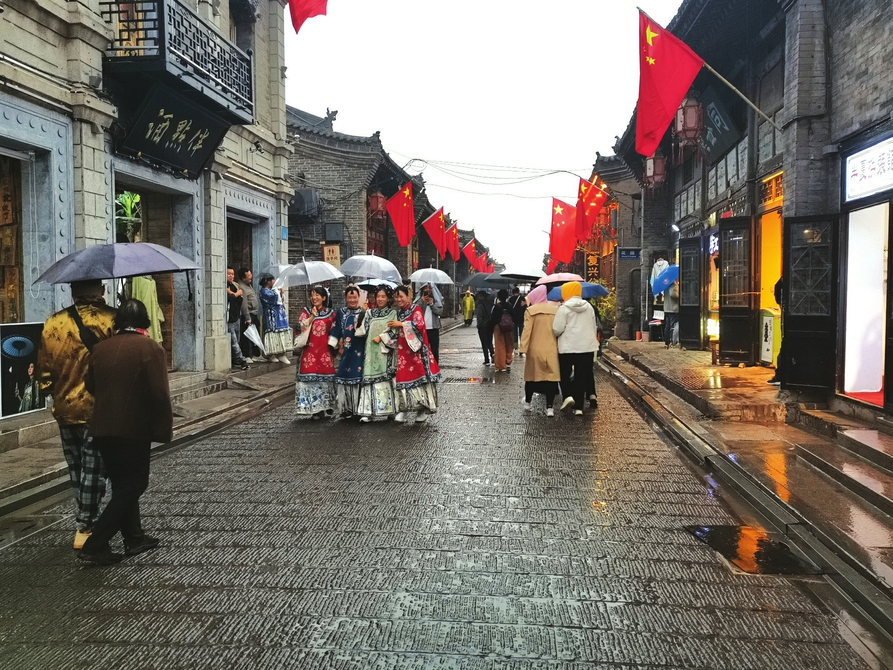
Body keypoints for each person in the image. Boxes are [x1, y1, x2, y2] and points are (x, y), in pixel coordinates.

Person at [78, 299, 173, 566]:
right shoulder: (150, 348)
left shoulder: (101, 348)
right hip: (134, 427)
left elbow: (90, 385)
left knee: (122, 485)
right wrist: (162, 428)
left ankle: (134, 538)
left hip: (102, 426)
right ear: (145, 321)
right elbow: (159, 394)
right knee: (135, 484)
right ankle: (95, 544)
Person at [37, 279, 116, 550]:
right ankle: (86, 525)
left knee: (77, 468)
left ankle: (86, 519)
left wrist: (55, 390)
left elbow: (44, 372)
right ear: (102, 290)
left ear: (72, 292)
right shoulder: (112, 320)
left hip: (65, 408)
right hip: (99, 407)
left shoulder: (53, 322)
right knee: (94, 469)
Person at [381, 285, 440, 423]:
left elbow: (419, 326)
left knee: (419, 380)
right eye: (396, 297)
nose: (398, 299)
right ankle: (404, 409)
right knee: (402, 379)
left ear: (408, 296)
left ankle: (422, 409)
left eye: (401, 296)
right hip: (403, 353)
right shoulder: (398, 313)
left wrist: (402, 325)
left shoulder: (416, 309)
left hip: (416, 353)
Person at [552, 281, 599, 416]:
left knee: (564, 373)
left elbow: (557, 329)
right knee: (581, 377)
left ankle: (567, 395)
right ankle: (578, 408)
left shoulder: (564, 308)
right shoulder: (589, 307)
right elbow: (593, 326)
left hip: (568, 347)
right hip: (586, 347)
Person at [356, 285, 399, 423]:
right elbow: (361, 330)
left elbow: (395, 334)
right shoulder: (369, 313)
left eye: (383, 296)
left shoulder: (392, 314)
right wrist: (362, 313)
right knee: (369, 379)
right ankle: (367, 412)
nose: (380, 299)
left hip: (385, 352)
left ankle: (390, 410)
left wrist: (381, 337)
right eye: (378, 296)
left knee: (386, 378)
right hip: (370, 351)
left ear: (388, 299)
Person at [294, 285, 337, 419]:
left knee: (326, 379)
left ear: (324, 298)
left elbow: (335, 331)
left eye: (317, 295)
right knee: (310, 379)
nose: (314, 297)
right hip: (309, 351)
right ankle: (315, 409)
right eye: (312, 295)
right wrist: (312, 315)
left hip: (325, 351)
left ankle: (327, 405)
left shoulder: (330, 313)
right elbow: (300, 327)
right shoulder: (306, 311)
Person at [519, 286, 560, 417]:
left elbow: (527, 331)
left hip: (534, 349)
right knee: (551, 378)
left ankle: (528, 402)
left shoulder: (531, 311)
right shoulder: (555, 310)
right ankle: (550, 408)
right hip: (551, 348)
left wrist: (523, 348)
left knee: (531, 377)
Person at [332, 285, 367, 418]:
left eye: (355, 297)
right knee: (344, 375)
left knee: (359, 376)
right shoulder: (341, 313)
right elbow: (336, 329)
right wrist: (337, 343)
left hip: (360, 348)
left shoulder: (364, 312)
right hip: (346, 349)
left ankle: (359, 408)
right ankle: (346, 408)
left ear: (359, 297)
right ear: (345, 298)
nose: (352, 300)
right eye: (349, 297)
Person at [257, 273, 291, 364]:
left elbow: (280, 300)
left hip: (279, 315)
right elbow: (275, 299)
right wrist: (278, 292)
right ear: (268, 281)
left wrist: (281, 293)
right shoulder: (264, 291)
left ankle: (281, 354)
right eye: (272, 280)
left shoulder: (272, 290)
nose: (274, 281)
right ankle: (271, 355)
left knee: (281, 333)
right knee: (272, 334)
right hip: (271, 317)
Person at [226, 268, 250, 370]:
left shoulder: (234, 286)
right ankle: (242, 361)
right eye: (229, 274)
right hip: (229, 318)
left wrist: (233, 293)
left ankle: (235, 359)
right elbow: (229, 299)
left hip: (236, 317)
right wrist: (235, 294)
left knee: (237, 340)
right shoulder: (224, 286)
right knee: (234, 342)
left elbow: (240, 298)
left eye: (232, 274)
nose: (231, 276)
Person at [413, 282, 443, 362]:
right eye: (426, 288)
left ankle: (435, 366)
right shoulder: (420, 300)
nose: (428, 290)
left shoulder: (436, 300)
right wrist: (421, 302)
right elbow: (414, 311)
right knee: (422, 350)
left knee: (434, 350)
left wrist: (432, 304)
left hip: (433, 329)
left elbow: (440, 312)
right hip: (422, 330)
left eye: (429, 287)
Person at [236, 267, 261, 362]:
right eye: (248, 275)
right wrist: (247, 317)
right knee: (247, 336)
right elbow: (244, 304)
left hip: (254, 314)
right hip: (248, 314)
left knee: (255, 334)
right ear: (243, 278)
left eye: (250, 274)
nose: (251, 277)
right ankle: (246, 355)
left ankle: (255, 354)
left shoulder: (248, 285)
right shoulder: (242, 287)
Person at [489, 289, 515, 373]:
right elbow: (514, 316)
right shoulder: (510, 306)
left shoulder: (496, 307)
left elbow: (492, 319)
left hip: (498, 327)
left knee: (500, 346)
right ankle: (508, 360)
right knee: (509, 344)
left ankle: (501, 365)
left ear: (498, 297)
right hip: (509, 328)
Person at [474, 290, 495, 366]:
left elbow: (479, 316)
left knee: (484, 344)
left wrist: (478, 325)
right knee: (490, 342)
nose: (478, 297)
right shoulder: (491, 304)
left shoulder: (480, 305)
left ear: (482, 296)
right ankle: (493, 356)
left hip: (483, 327)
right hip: (490, 326)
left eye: (479, 296)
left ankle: (486, 359)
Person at [508, 287, 527, 355]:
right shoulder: (522, 298)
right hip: (521, 318)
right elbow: (525, 308)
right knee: (521, 333)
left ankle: (515, 348)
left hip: (514, 318)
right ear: (518, 292)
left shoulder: (510, 299)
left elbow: (509, 309)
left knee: (515, 333)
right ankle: (522, 348)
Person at [663, 277, 680, 349]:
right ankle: (672, 341)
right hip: (673, 308)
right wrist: (680, 296)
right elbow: (673, 294)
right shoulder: (673, 285)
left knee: (668, 326)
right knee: (673, 326)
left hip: (667, 308)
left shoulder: (666, 285)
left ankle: (667, 341)